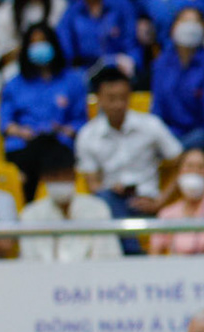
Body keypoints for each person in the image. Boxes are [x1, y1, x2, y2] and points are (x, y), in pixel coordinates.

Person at [76, 67, 183, 219]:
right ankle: (131, 242)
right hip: (109, 203)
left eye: (123, 97)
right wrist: (112, 189)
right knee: (105, 201)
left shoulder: (151, 125)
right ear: (98, 98)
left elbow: (182, 162)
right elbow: (93, 184)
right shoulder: (87, 135)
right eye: (111, 98)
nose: (118, 105)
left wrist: (160, 201)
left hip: (147, 200)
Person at [0, 24, 88, 200]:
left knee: (51, 147)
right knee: (37, 148)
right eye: (34, 43)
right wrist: (22, 132)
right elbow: (6, 124)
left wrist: (65, 130)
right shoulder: (14, 84)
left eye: (43, 42)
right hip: (25, 145)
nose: (39, 46)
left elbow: (80, 121)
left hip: (58, 143)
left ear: (54, 44)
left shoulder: (73, 80)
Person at [151, 8, 204, 150]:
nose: (189, 26)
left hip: (202, 135)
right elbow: (157, 109)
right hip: (169, 135)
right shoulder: (162, 62)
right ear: (173, 28)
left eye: (195, 22)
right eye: (184, 21)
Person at [59, 0, 142, 76]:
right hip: (86, 75)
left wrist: (131, 62)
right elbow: (67, 54)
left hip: (121, 72)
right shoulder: (71, 14)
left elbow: (133, 44)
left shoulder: (122, 5)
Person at [147, 147, 204, 256]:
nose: (195, 171)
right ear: (179, 172)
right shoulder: (167, 213)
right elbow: (154, 254)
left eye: (201, 167)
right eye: (190, 166)